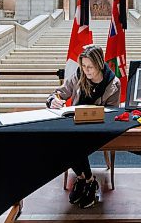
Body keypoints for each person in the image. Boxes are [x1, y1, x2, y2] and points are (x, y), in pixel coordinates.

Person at [46, 45, 121, 209]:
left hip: (99, 129)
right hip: (76, 126)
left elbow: (112, 114)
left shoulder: (113, 84)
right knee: (60, 140)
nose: (86, 71)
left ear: (99, 64)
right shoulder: (79, 75)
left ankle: (85, 180)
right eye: (84, 66)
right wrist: (53, 100)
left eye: (90, 67)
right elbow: (60, 92)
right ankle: (86, 179)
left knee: (73, 141)